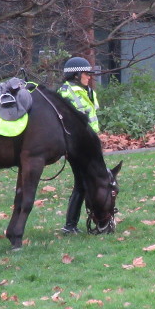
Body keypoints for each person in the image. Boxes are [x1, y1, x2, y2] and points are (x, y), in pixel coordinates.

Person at [58, 56, 100, 234]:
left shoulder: (87, 91)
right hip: (78, 147)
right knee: (82, 184)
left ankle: (89, 221)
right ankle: (70, 225)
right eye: (85, 73)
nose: (88, 77)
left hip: (91, 145)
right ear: (76, 75)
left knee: (87, 183)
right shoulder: (66, 93)